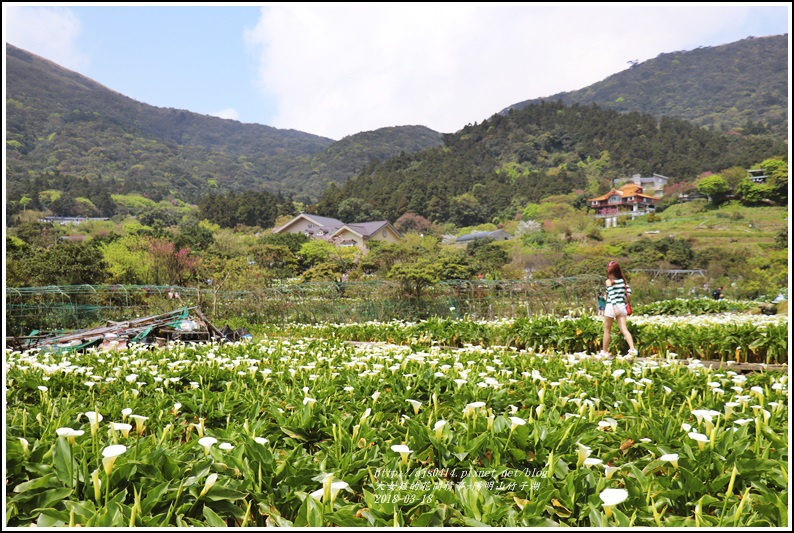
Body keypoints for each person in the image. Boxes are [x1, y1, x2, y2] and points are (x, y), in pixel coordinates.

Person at [600, 260, 636, 358]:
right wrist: (623, 301)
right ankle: (632, 349)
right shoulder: (622, 281)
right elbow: (628, 293)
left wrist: (615, 307)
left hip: (612, 306)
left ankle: (605, 352)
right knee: (624, 329)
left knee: (607, 331)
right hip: (622, 306)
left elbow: (611, 294)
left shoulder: (609, 281)